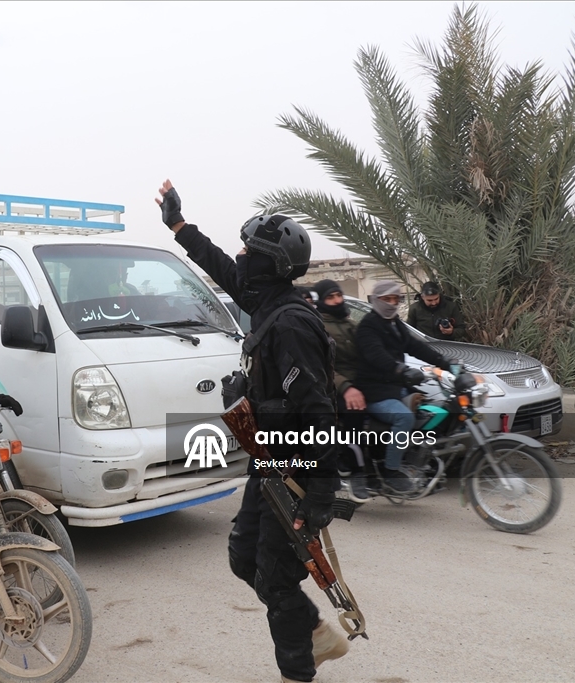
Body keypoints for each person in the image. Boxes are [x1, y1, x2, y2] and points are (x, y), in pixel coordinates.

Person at [156, 180, 349, 683]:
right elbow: (220, 264)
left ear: (269, 263)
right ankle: (317, 633)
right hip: (270, 463)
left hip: (296, 468)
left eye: (248, 250)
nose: (240, 255)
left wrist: (320, 491)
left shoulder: (290, 325)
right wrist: (179, 225)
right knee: (245, 559)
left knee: (277, 578)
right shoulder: (265, 301)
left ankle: (298, 670)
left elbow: (320, 412)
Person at [354, 281, 450, 493]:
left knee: (436, 411)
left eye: (395, 299)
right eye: (386, 299)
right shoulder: (368, 326)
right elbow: (377, 355)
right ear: (376, 300)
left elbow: (416, 347)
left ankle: (421, 464)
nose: (391, 303)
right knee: (404, 417)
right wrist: (402, 370)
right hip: (375, 392)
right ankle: (391, 471)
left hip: (396, 388)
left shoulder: (395, 323)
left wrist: (446, 363)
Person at [312, 279, 368, 503]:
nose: (337, 300)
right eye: (330, 297)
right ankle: (355, 470)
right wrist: (347, 387)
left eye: (338, 295)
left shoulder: (349, 323)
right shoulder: (319, 326)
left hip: (359, 382)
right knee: (354, 413)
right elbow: (323, 366)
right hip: (335, 387)